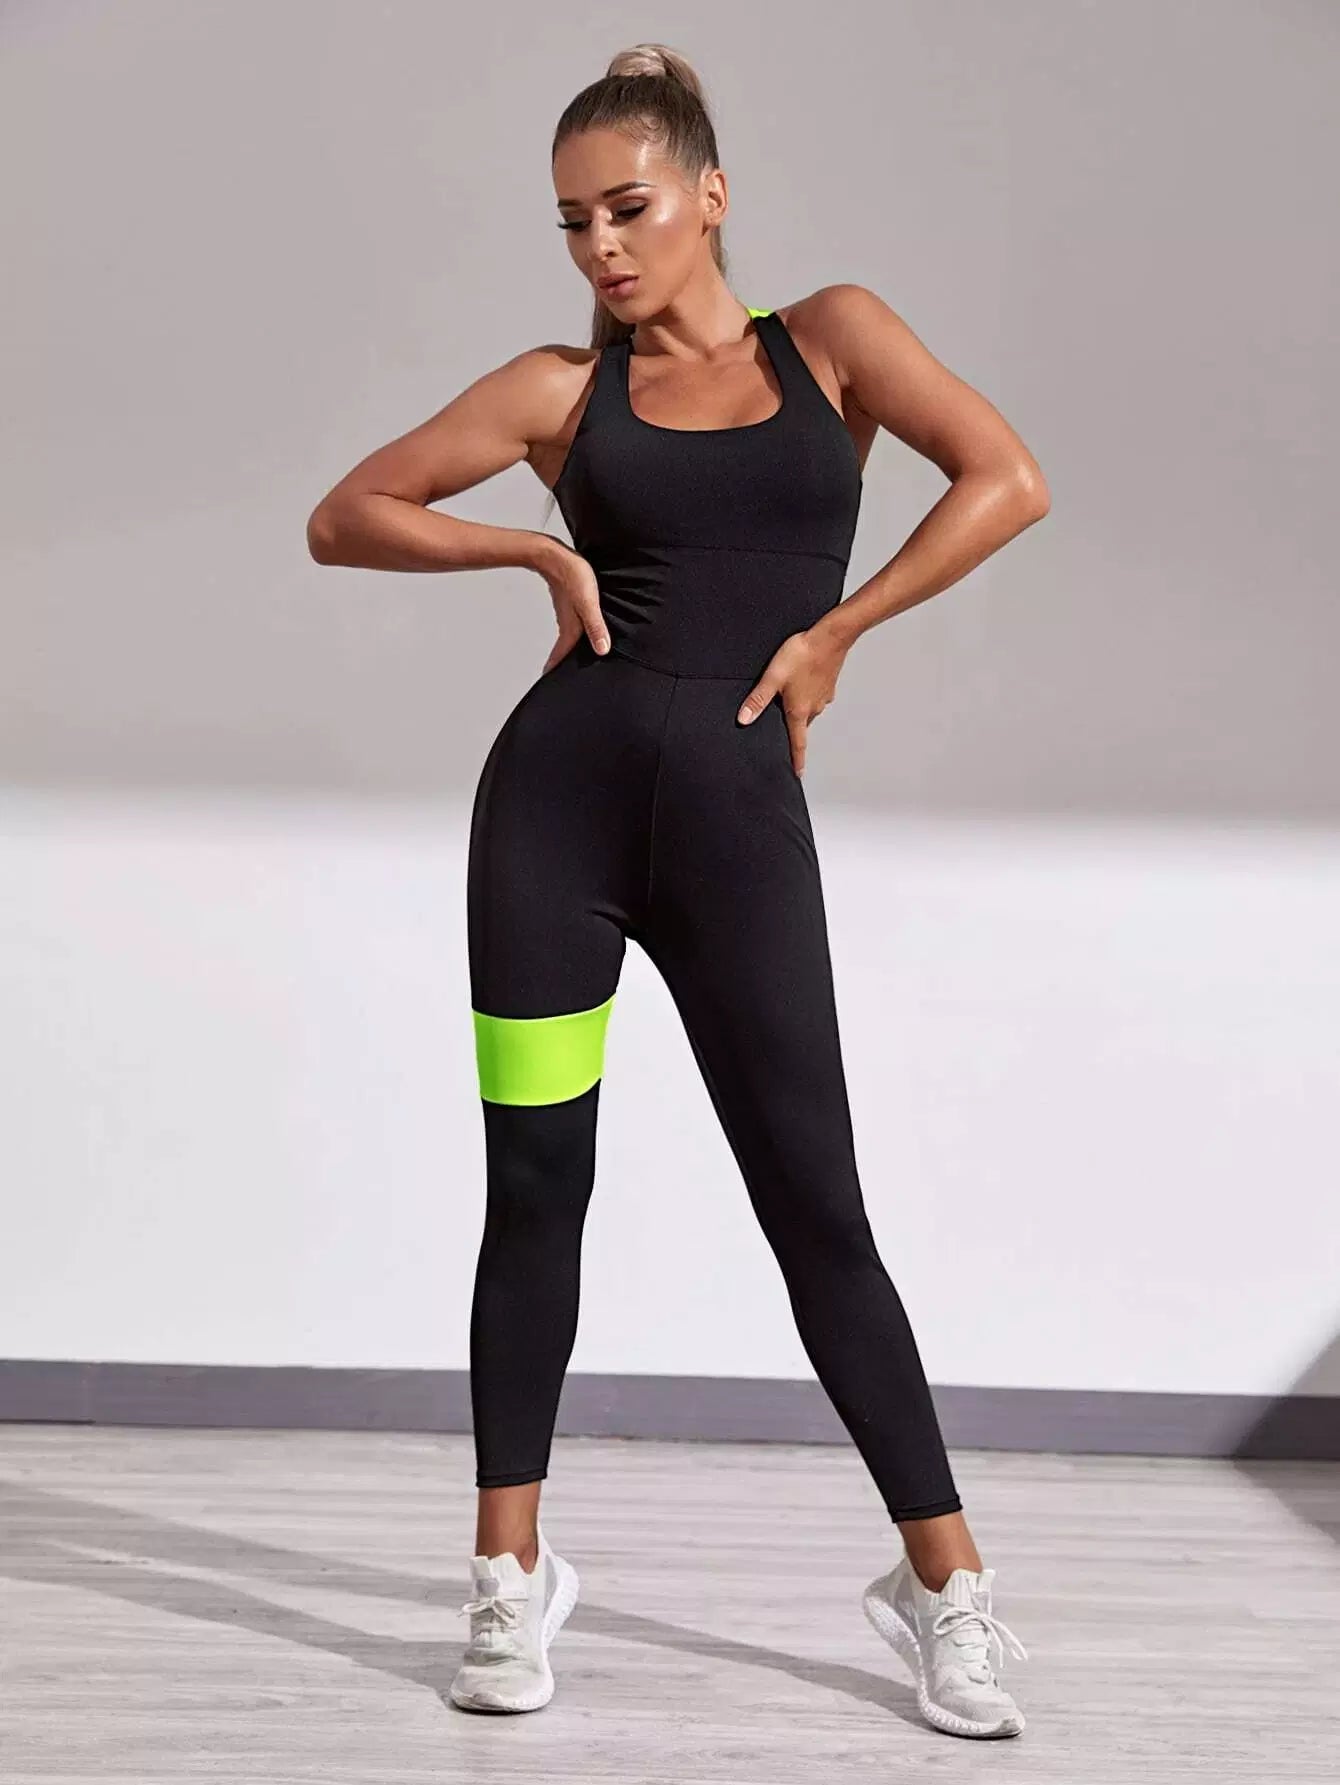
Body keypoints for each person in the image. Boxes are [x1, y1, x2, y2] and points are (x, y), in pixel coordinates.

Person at [307, 40, 1048, 1741]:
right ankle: (508, 1574)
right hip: (549, 824)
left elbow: (1008, 478)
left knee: (818, 1208)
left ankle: (945, 1587)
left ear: (711, 195)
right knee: (535, 1189)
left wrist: (838, 631)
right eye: (573, 222)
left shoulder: (833, 340)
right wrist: (532, 547)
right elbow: (346, 515)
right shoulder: (560, 392)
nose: (601, 247)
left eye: (628, 209)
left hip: (735, 835)